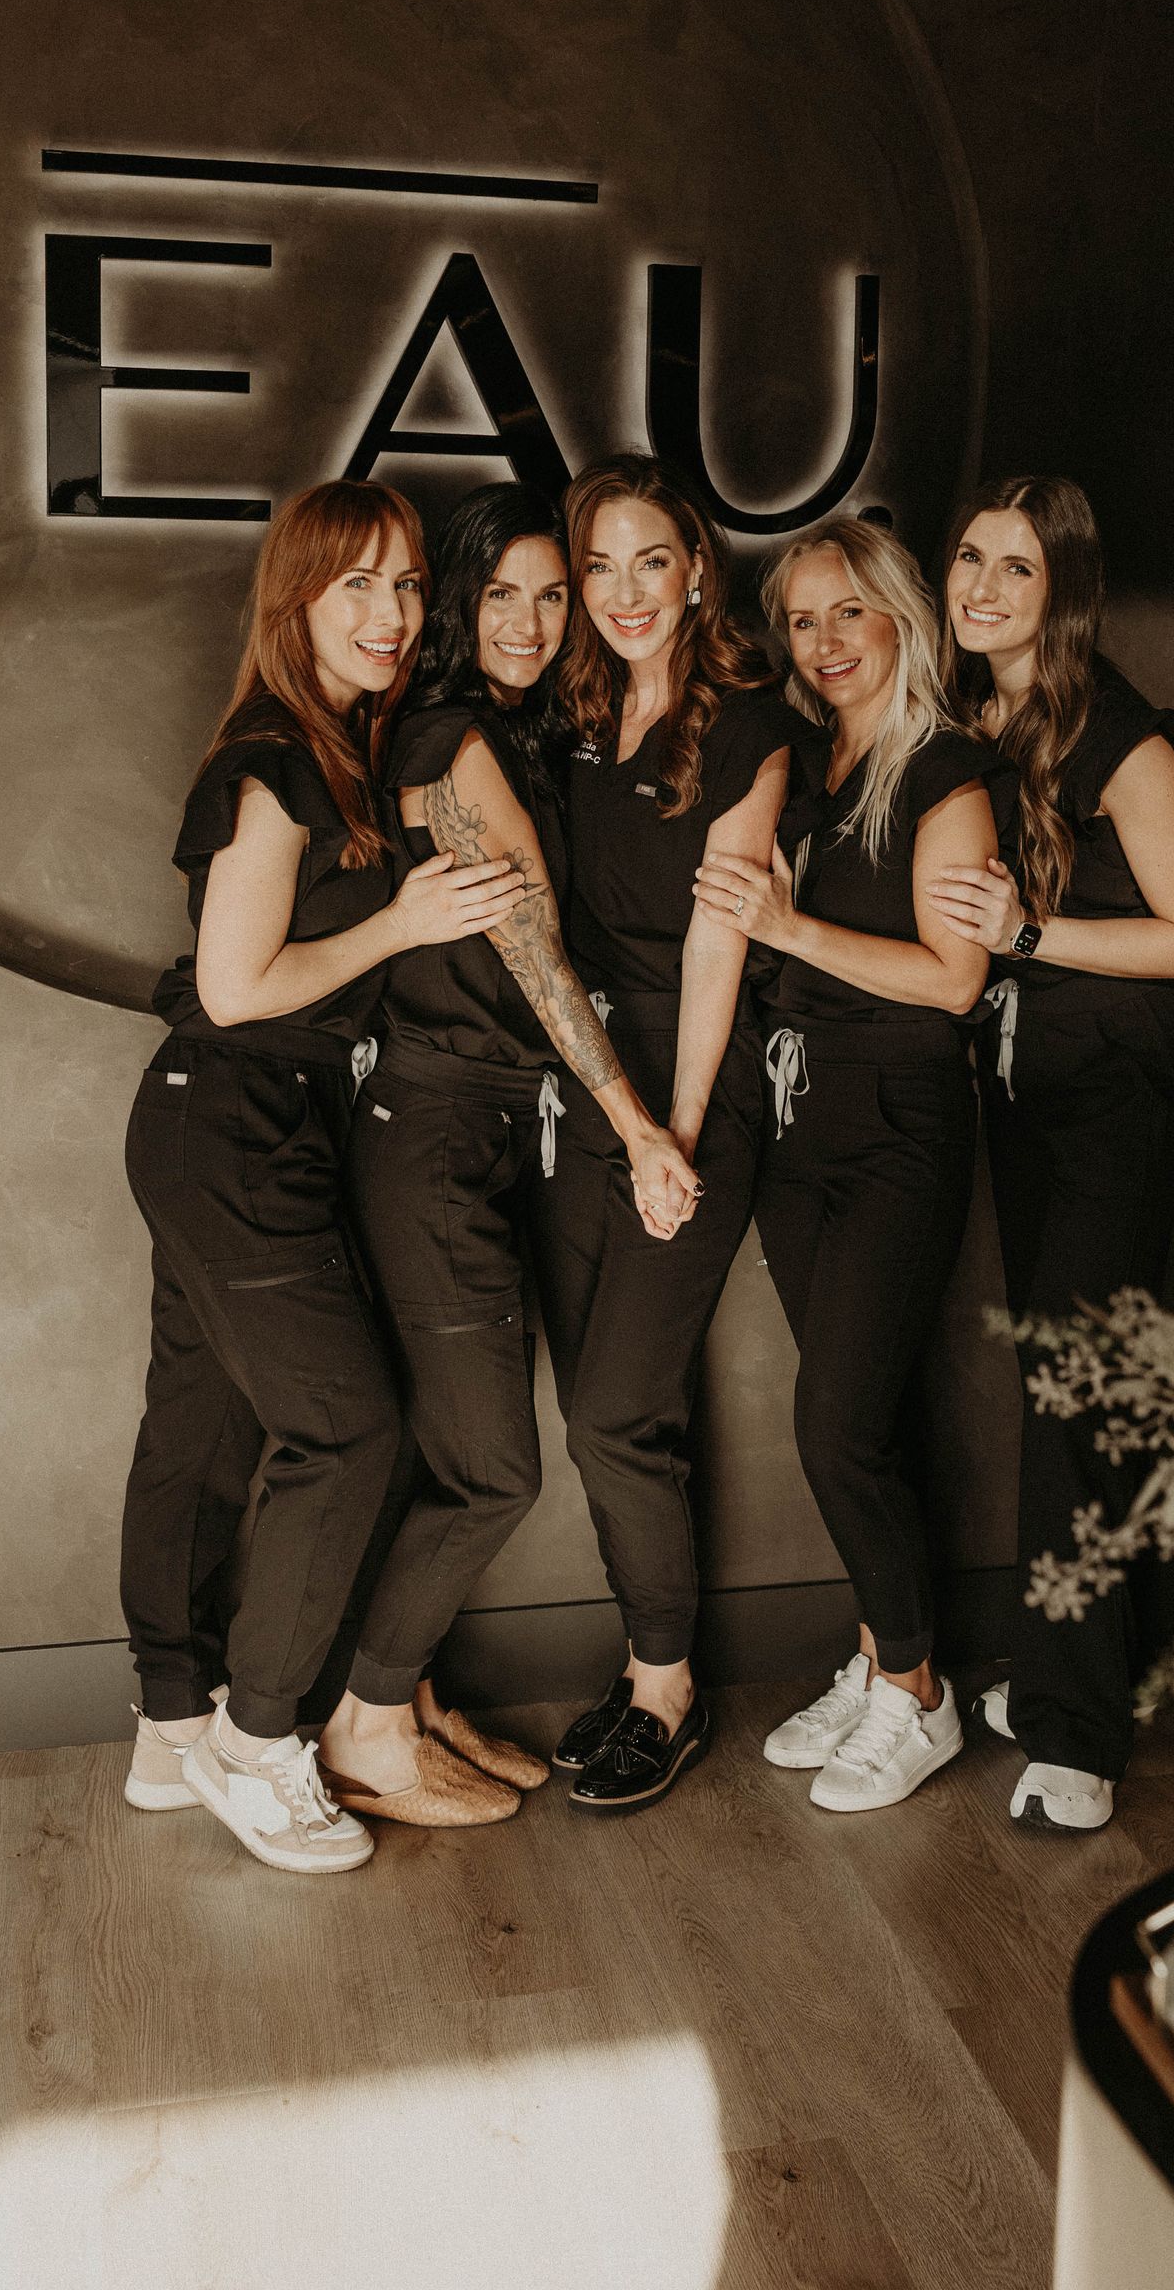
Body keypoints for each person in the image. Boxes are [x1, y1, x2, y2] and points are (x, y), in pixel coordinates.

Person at [118, 480, 528, 1873]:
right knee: (346, 1432)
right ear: (295, 602)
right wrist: (405, 915)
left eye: (409, 587)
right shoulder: (274, 761)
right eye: (357, 586)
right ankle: (257, 1739)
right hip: (231, 1117)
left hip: (233, 1120)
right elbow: (237, 988)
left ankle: (172, 1725)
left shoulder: (332, 754)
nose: (392, 615)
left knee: (204, 1426)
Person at [314, 484, 700, 1828]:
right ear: (455, 608)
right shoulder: (443, 736)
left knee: (450, 1450)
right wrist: (639, 1121)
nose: (532, 621)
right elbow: (532, 944)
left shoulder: (515, 731)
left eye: (554, 593)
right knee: (494, 1470)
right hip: (434, 1130)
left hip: (480, 1127)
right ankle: (366, 1727)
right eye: (502, 596)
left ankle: (408, 1702)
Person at [928, 475, 1174, 1834]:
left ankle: (1080, 1740)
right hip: (1025, 1076)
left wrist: (1025, 938)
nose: (984, 586)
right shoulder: (977, 710)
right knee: (1061, 1376)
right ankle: (1077, 1670)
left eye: (1017, 569)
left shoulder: (1119, 731)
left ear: (1064, 592)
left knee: (1080, 1389)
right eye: (971, 559)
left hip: (1121, 1082)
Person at [695, 518, 998, 1815]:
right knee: (858, 1418)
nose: (821, 644)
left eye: (845, 616)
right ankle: (884, 1656)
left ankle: (919, 1695)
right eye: (801, 621)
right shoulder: (814, 763)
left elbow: (955, 979)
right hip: (797, 1116)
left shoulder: (946, 772)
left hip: (898, 1118)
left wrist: (789, 924)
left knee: (833, 1425)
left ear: (899, 619)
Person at [526, 453, 794, 1811]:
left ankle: (667, 1693)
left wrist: (674, 1132)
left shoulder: (747, 720)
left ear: (697, 569)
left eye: (651, 562)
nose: (625, 593)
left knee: (621, 1405)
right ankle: (649, 1663)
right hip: (582, 1080)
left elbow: (715, 938)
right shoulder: (568, 713)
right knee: (601, 1406)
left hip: (690, 1083)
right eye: (599, 567)